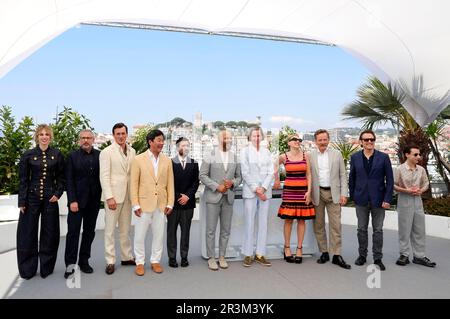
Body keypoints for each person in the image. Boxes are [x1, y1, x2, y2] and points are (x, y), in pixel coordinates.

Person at [17, 124, 65, 279]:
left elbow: (62, 178)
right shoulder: (28, 155)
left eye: (47, 134)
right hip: (31, 199)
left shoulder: (57, 154)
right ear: (37, 137)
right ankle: (27, 269)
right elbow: (23, 180)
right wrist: (22, 201)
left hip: (50, 199)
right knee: (27, 234)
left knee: (50, 233)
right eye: (41, 134)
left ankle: (46, 267)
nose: (44, 137)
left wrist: (57, 194)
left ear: (50, 137)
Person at [130, 130, 174, 276]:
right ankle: (140, 262)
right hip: (143, 204)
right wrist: (135, 204)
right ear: (150, 142)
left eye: (162, 140)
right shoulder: (138, 159)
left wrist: (170, 203)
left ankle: (155, 261)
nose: (161, 143)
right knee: (139, 236)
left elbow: (170, 184)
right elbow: (133, 184)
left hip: (161, 205)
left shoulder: (167, 160)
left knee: (158, 235)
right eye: (159, 140)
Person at [349, 129, 394, 271]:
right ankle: (362, 255)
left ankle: (377, 258)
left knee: (378, 230)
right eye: (366, 140)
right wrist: (353, 196)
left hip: (379, 200)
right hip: (361, 199)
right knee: (361, 229)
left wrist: (387, 199)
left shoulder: (384, 157)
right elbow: (352, 179)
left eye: (372, 140)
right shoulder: (355, 157)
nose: (369, 142)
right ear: (361, 142)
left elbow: (390, 180)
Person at [199, 129, 242, 271]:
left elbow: (239, 177)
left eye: (230, 138)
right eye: (225, 138)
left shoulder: (235, 157)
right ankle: (211, 258)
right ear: (219, 140)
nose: (228, 140)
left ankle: (222, 256)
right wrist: (217, 186)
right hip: (213, 197)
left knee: (226, 229)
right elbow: (203, 175)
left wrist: (233, 183)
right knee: (210, 230)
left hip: (228, 198)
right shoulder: (209, 155)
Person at [309, 129, 351, 270]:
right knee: (318, 225)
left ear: (328, 140)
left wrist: (344, 194)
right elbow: (307, 177)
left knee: (336, 226)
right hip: (317, 194)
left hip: (334, 194)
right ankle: (324, 252)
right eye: (320, 140)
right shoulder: (310, 155)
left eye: (324, 139)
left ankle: (336, 255)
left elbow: (343, 175)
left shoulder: (336, 154)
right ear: (315, 141)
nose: (322, 142)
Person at [64, 129, 102, 279]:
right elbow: (69, 180)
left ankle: (84, 261)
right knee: (73, 233)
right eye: (83, 138)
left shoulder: (100, 155)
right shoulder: (72, 156)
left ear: (93, 139)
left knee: (89, 233)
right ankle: (70, 265)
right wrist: (72, 200)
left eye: (88, 138)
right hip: (77, 202)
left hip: (93, 202)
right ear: (79, 140)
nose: (86, 140)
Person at [100, 123, 136, 275]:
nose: (121, 136)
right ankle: (110, 261)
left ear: (127, 134)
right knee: (109, 231)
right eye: (118, 134)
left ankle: (126, 257)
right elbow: (104, 176)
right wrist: (109, 197)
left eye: (123, 133)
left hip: (128, 196)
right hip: (113, 197)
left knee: (125, 229)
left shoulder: (133, 151)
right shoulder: (107, 152)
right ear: (113, 135)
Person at [394, 145, 436, 268]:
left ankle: (419, 256)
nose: (419, 157)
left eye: (419, 154)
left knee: (419, 229)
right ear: (407, 155)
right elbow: (393, 185)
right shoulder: (400, 169)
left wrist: (421, 191)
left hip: (417, 200)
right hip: (404, 199)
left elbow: (426, 183)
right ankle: (404, 254)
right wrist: (406, 190)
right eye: (415, 154)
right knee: (404, 229)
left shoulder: (421, 170)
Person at [277, 134, 315, 264]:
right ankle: (287, 248)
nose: (297, 141)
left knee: (301, 221)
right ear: (288, 143)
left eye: (299, 140)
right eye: (294, 139)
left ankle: (299, 249)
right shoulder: (283, 156)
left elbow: (309, 174)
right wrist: (277, 179)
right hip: (289, 192)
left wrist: (309, 191)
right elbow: (272, 167)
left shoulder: (306, 155)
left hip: (303, 192)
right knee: (288, 220)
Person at [240, 127, 274, 268]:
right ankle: (248, 254)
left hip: (265, 192)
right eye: (254, 135)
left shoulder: (267, 152)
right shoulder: (244, 152)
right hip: (251, 192)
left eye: (259, 135)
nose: (257, 138)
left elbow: (271, 172)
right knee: (249, 223)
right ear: (249, 137)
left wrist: (264, 188)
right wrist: (256, 189)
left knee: (263, 224)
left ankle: (260, 254)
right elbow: (245, 172)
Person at [168, 137, 200, 269]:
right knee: (171, 232)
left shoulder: (194, 163)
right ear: (177, 147)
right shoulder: (170, 163)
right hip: (173, 203)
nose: (185, 148)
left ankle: (184, 257)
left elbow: (195, 183)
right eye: (183, 145)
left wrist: (187, 196)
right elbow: (167, 183)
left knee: (186, 232)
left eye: (188, 145)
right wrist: (177, 197)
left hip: (188, 203)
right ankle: (172, 258)